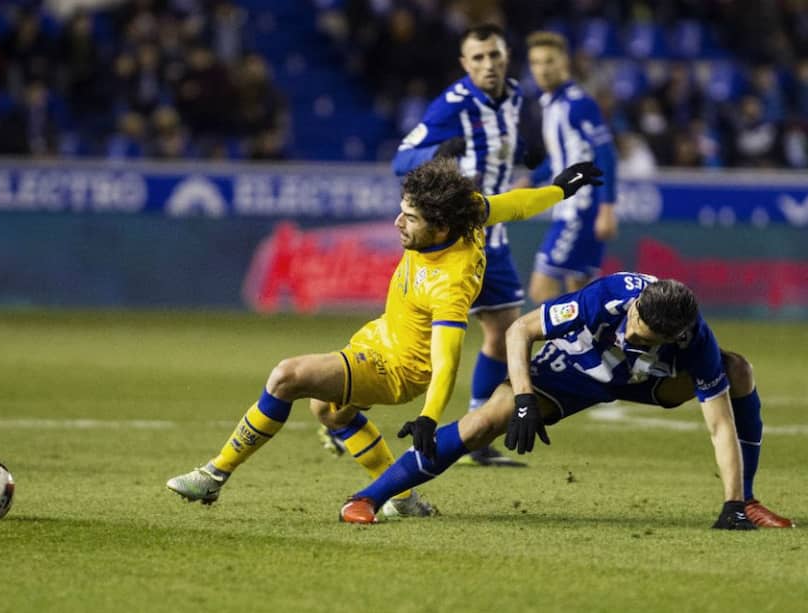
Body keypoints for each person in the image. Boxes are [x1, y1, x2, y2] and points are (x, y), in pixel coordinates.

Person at [166, 158, 603, 517]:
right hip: (379, 336)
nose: (397, 222)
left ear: (440, 227)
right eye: (402, 209)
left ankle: (213, 475)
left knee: (287, 376)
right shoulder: (467, 212)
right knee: (330, 413)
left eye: (410, 218)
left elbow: (447, 360)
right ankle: (403, 498)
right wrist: (562, 188)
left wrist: (430, 417)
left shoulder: (449, 284)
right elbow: (518, 204)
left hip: (397, 368)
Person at [340, 273, 794, 529]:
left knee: (738, 371)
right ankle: (368, 498)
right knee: (487, 419)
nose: (630, 331)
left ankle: (745, 503)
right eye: (633, 321)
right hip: (575, 371)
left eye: (643, 336)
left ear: (675, 336)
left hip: (647, 381)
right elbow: (520, 330)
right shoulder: (606, 298)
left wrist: (729, 502)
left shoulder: (696, 340)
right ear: (637, 305)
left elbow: (719, 425)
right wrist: (521, 400)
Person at [386, 23, 543, 467]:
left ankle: (477, 431)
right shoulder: (451, 105)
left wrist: (535, 160)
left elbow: (527, 152)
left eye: (494, 55)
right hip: (451, 244)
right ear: (464, 64)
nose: (488, 65)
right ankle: (343, 410)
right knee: (419, 348)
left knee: (505, 333)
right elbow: (402, 158)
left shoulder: (515, 97)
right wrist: (439, 153)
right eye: (478, 58)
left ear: (506, 55)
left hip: (492, 237)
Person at [522, 31, 619, 304]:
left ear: (564, 62)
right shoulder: (551, 104)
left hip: (580, 209)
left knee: (542, 289)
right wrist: (531, 180)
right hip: (573, 208)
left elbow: (605, 153)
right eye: (536, 62)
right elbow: (562, 159)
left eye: (549, 61)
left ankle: (564, 346)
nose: (542, 69)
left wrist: (607, 208)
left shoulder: (578, 103)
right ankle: (586, 346)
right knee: (580, 294)